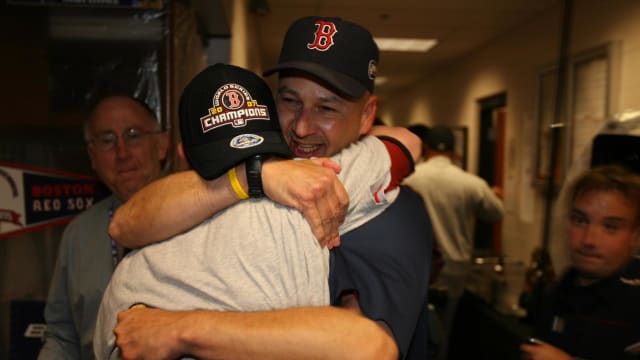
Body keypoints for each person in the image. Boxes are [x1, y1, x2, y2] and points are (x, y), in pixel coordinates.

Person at [107, 16, 433, 360]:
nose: (302, 128)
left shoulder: (395, 214)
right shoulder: (249, 174)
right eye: (290, 101)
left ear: (368, 115)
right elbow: (124, 224)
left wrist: (179, 327)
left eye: (327, 108)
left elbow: (367, 346)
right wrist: (254, 175)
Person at [38, 95, 169, 359]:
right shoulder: (79, 234)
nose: (122, 152)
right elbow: (62, 337)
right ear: (92, 156)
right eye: (107, 140)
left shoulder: (203, 218)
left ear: (161, 144)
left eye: (133, 135)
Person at [402, 124, 504, 359]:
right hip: (455, 269)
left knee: (412, 328)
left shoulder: (410, 177)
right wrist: (494, 193)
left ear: (426, 147)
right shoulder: (471, 182)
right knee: (443, 331)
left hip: (418, 267)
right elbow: (495, 213)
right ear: (454, 150)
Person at [521, 164, 640, 360]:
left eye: (610, 227)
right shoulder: (561, 289)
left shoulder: (634, 301)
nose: (588, 240)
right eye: (580, 220)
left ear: (635, 236)